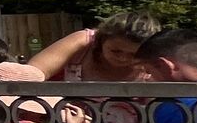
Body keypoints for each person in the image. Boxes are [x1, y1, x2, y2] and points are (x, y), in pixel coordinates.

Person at [33, 11, 162, 84]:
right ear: (100, 41)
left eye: (134, 54)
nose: (123, 58)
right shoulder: (84, 43)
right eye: (115, 51)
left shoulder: (156, 62)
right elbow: (34, 72)